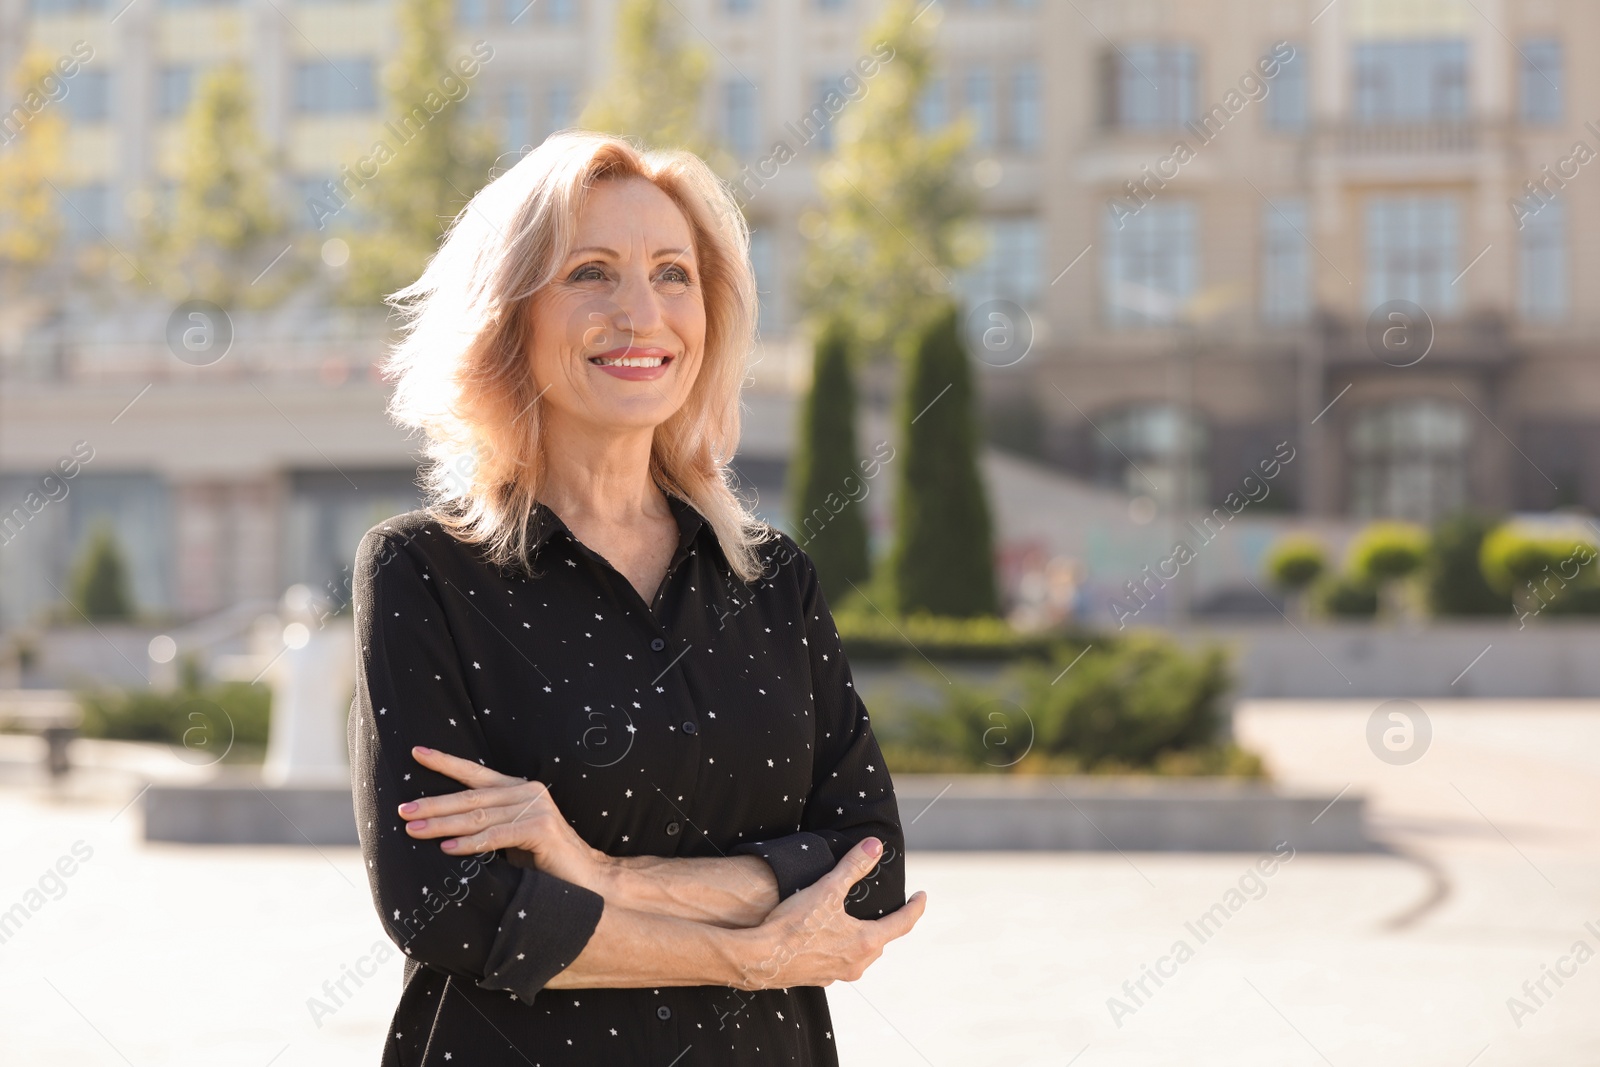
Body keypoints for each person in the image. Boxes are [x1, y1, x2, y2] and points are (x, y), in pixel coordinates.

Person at [347, 129, 926, 1066]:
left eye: (673, 273)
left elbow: (869, 866)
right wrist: (751, 948)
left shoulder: (773, 581)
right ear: (508, 316)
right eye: (589, 273)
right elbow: (448, 906)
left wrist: (598, 874)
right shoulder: (425, 574)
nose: (642, 313)